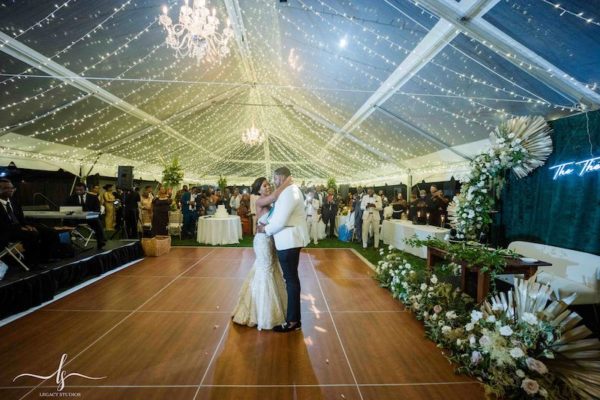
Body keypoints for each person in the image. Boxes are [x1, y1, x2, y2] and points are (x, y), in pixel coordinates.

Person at [232, 175, 292, 330]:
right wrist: (286, 183)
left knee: (269, 270)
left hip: (270, 240)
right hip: (262, 241)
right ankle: (263, 313)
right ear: (258, 189)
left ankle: (274, 308)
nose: (268, 187)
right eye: (264, 186)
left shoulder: (270, 204)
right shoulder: (259, 201)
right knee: (265, 272)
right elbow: (275, 196)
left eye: (268, 185)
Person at [257, 167, 309, 332]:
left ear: (281, 177)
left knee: (291, 280)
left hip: (288, 241)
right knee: (291, 279)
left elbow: (280, 220)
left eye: (275, 179)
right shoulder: (288, 191)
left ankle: (293, 321)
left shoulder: (289, 192)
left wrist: (266, 229)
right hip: (288, 240)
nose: (274, 182)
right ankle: (294, 319)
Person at [0, 178, 58, 266]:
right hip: (5, 232)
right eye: (6, 188)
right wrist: (21, 228)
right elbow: (2, 225)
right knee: (32, 235)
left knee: (48, 231)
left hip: (18, 228)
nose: (10, 190)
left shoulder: (14, 202)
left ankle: (46, 257)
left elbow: (21, 219)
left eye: (12, 188)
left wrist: (27, 225)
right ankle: (32, 263)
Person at [65, 182, 106, 249]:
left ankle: (101, 241)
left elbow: (97, 210)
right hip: (75, 219)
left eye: (81, 190)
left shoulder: (93, 198)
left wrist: (89, 214)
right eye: (77, 190)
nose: (78, 191)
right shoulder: (71, 198)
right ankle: (67, 244)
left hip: (89, 218)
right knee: (66, 221)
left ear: (85, 189)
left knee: (97, 221)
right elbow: (66, 209)